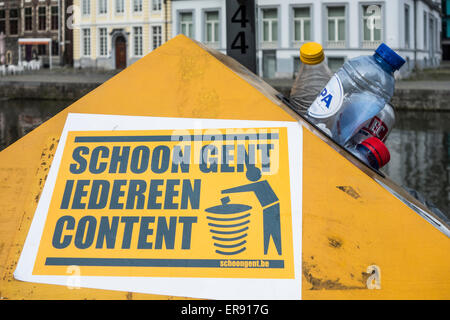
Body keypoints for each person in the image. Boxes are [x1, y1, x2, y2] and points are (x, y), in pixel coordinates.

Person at [221, 166, 282, 255]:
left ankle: (273, 253)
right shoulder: (262, 184)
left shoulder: (259, 184)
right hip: (269, 208)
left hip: (271, 209)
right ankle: (268, 253)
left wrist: (224, 191)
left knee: (272, 233)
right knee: (269, 233)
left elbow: (243, 188)